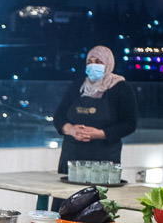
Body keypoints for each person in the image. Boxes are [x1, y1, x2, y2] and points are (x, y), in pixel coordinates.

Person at [53, 45, 137, 187]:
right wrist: (70, 129)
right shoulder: (77, 86)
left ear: (108, 64)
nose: (93, 65)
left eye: (98, 62)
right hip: (72, 160)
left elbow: (129, 123)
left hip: (103, 162)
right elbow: (59, 116)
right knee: (65, 205)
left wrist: (99, 134)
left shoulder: (121, 88)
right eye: (89, 62)